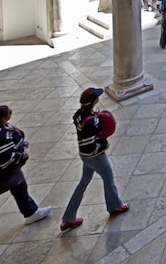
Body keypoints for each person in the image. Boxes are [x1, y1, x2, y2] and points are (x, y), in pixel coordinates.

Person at [0, 105, 51, 243]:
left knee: (20, 188)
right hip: (3, 171)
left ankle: (31, 212)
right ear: (3, 118)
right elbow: (6, 157)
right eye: (8, 116)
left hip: (1, 170)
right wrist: (22, 153)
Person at [60, 88, 128, 231]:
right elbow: (92, 142)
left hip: (84, 156)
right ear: (95, 101)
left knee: (82, 184)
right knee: (108, 178)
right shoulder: (92, 121)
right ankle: (115, 206)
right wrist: (103, 143)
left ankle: (68, 218)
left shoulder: (78, 115)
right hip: (95, 156)